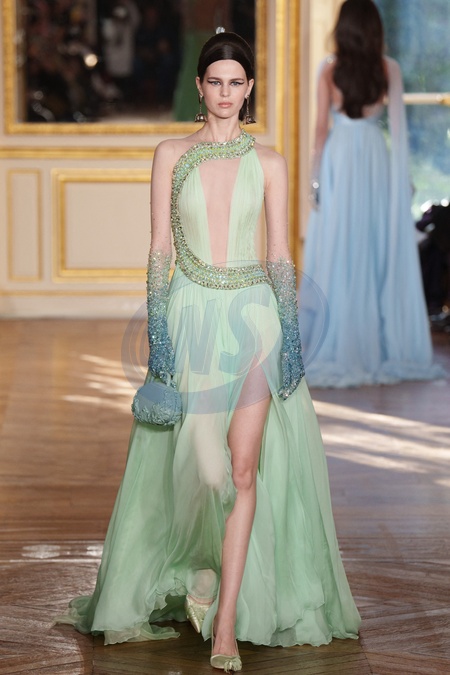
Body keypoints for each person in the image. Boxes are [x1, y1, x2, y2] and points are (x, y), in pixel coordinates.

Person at [55, 31, 361, 671]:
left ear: (249, 89)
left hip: (255, 322)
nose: (225, 93)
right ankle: (200, 576)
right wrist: (160, 342)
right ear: (200, 87)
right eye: (215, 82)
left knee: (242, 470)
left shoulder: (270, 163)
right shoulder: (171, 154)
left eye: (236, 83)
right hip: (192, 317)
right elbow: (159, 252)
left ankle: (224, 626)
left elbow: (278, 257)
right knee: (207, 470)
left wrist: (290, 341)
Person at [300, 0, 443, 388]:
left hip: (340, 159)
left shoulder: (329, 69)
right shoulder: (388, 68)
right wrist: (403, 180)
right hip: (376, 160)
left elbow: (320, 131)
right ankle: (377, 345)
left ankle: (343, 340)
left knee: (342, 247)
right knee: (374, 246)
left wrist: (314, 182)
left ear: (343, 29)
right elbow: (398, 130)